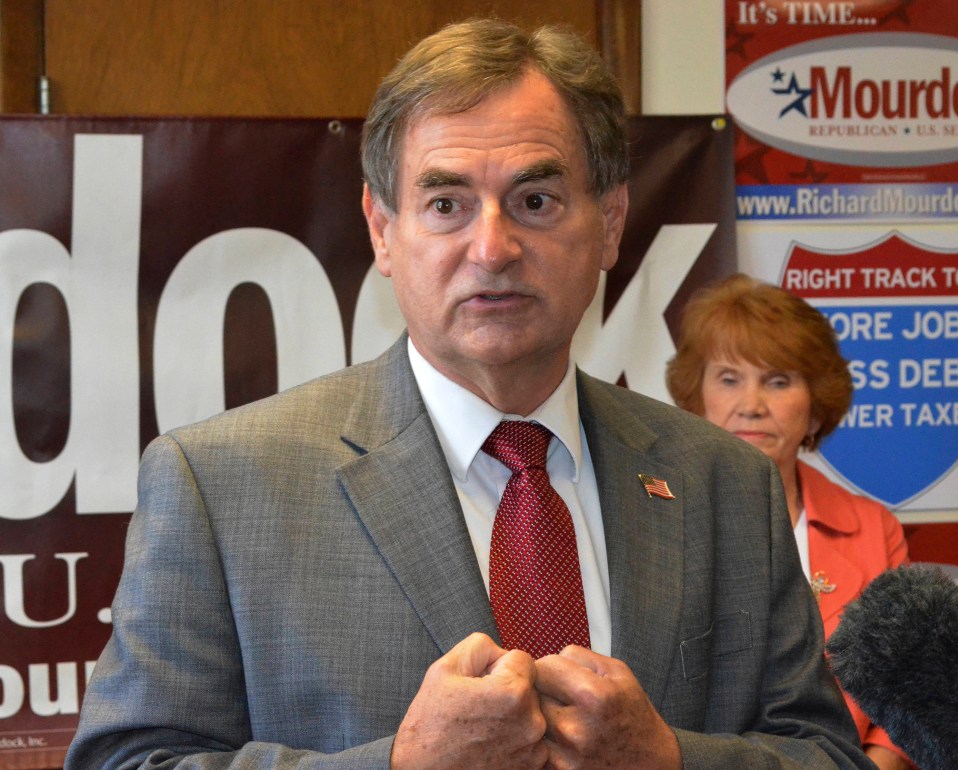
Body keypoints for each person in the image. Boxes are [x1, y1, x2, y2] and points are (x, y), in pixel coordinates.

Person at [67, 19, 873, 770]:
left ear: (610, 223)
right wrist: (398, 765)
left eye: (535, 201)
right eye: (446, 204)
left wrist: (669, 757)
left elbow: (827, 754)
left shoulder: (726, 483)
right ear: (383, 230)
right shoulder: (219, 484)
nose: (492, 248)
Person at [667, 273, 912, 770]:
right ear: (696, 398)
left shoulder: (872, 528)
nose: (751, 405)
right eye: (729, 379)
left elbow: (907, 689)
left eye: (777, 382)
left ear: (815, 408)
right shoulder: (657, 516)